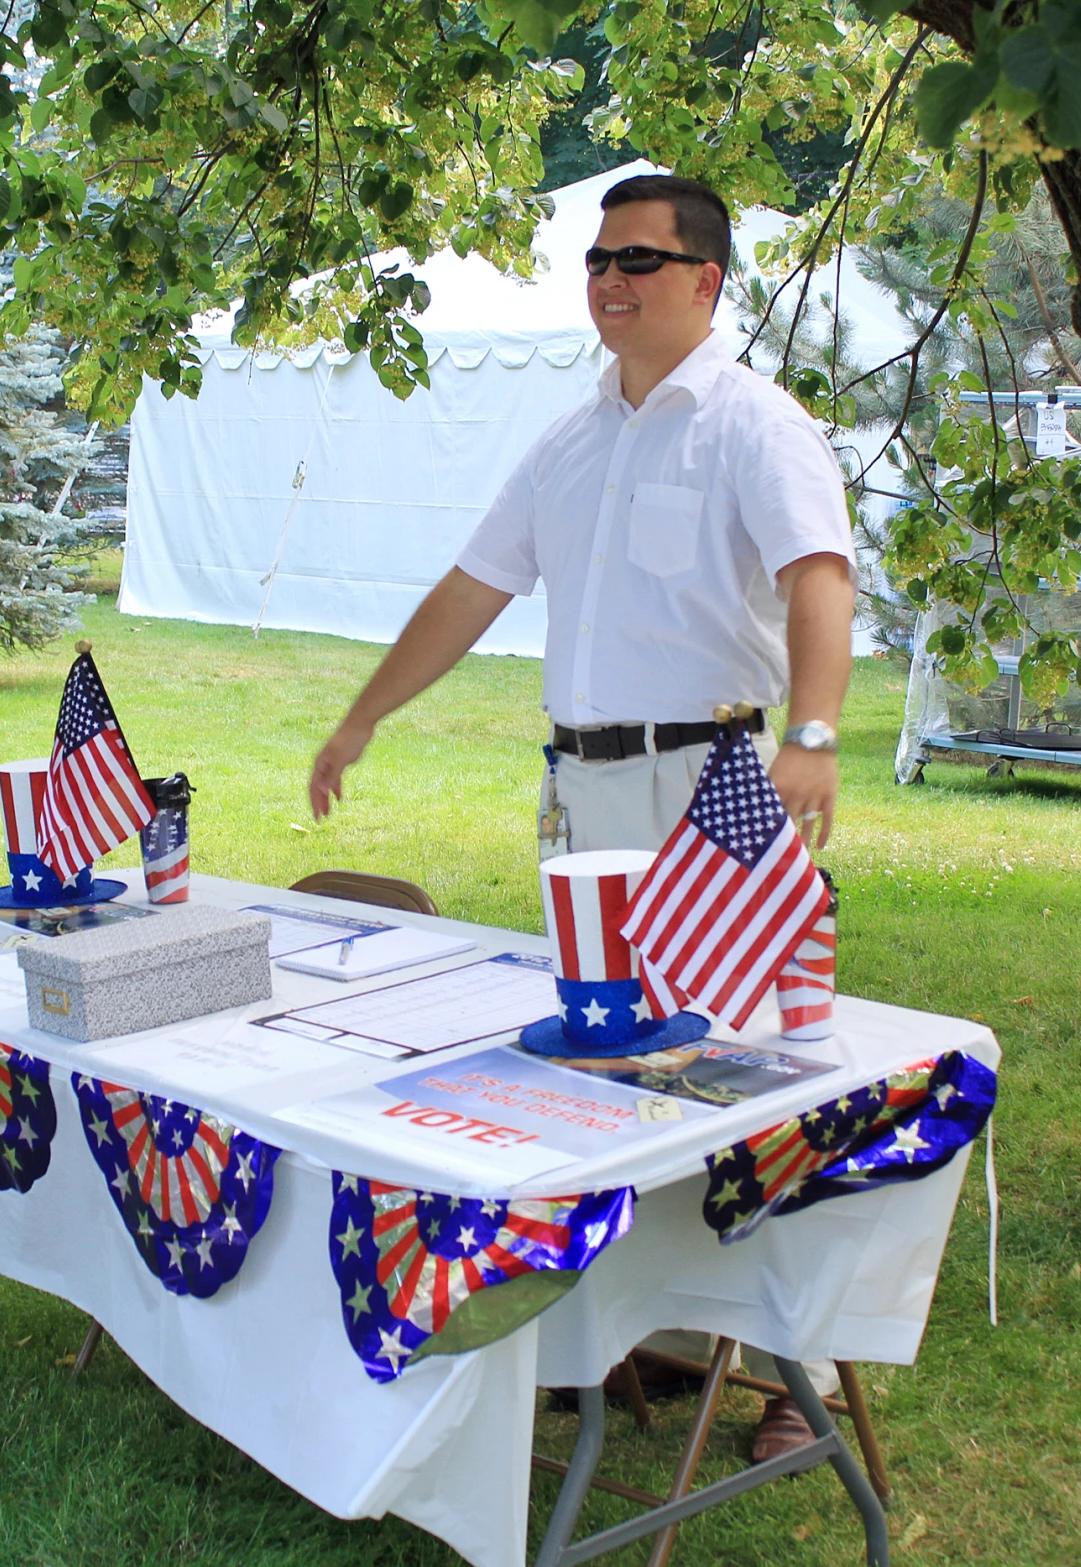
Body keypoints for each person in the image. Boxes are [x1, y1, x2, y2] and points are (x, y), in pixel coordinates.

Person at [307, 172, 857, 1460]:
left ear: (708, 282)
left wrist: (816, 734)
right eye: (599, 259)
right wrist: (364, 714)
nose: (610, 280)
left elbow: (818, 582)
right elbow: (471, 589)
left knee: (750, 1071)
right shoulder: (569, 440)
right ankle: (650, 1332)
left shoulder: (755, 427)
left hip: (712, 785)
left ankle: (798, 1374)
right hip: (584, 795)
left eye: (640, 261)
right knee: (612, 1065)